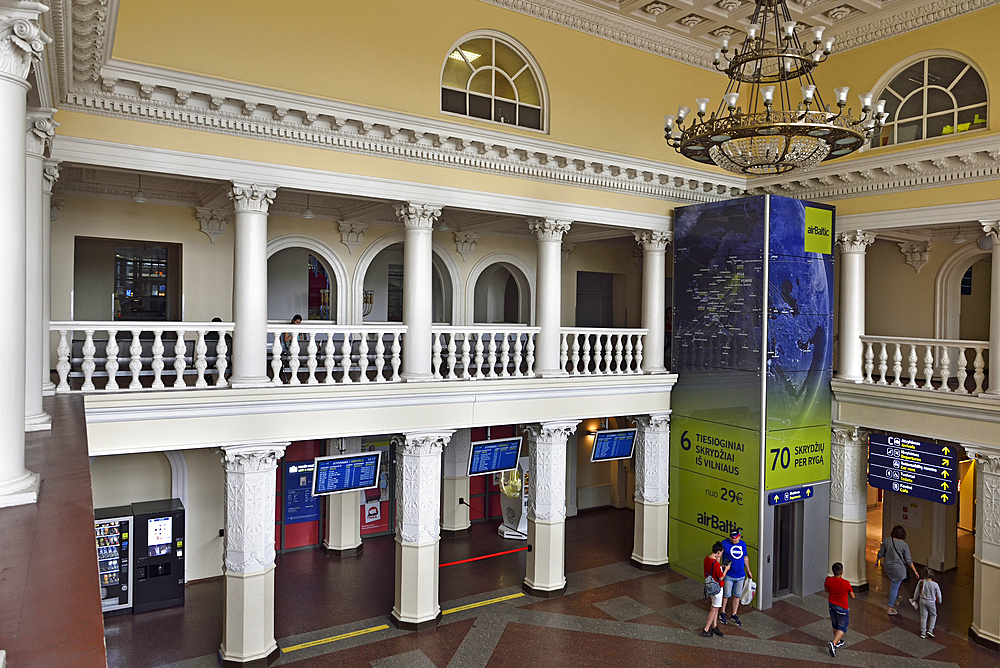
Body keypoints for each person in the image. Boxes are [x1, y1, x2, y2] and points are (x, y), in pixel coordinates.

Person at [875, 524, 920, 615]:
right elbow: (908, 560)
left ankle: (896, 598)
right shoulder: (904, 545)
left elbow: (881, 553)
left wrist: (877, 561)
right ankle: (891, 607)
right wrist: (915, 571)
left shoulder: (887, 541)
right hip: (899, 569)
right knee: (894, 586)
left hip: (888, 567)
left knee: (894, 583)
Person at [720, 527, 752, 626]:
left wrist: (748, 571)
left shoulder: (742, 544)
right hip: (729, 574)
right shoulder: (724, 543)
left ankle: (734, 614)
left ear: (739, 537)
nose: (733, 540)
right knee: (726, 595)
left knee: (737, 595)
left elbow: (745, 557)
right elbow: (720, 556)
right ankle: (723, 613)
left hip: (740, 575)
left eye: (735, 538)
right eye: (732, 538)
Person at [825, 562, 855, 657]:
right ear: (842, 572)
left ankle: (838, 641)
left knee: (835, 623)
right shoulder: (846, 583)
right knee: (843, 627)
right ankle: (833, 643)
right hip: (842, 607)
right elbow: (852, 596)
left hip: (831, 604)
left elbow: (827, 590)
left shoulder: (828, 580)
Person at [702, 541, 729, 637]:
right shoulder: (716, 565)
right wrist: (726, 569)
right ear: (718, 552)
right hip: (717, 588)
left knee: (715, 606)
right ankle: (706, 628)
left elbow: (712, 569)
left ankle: (715, 626)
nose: (721, 554)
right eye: (721, 553)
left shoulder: (707, 559)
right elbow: (721, 577)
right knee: (714, 608)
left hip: (710, 586)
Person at [912, 568, 942, 638]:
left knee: (923, 616)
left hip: (922, 600)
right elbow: (939, 596)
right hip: (931, 602)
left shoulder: (921, 582)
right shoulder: (935, 584)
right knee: (933, 615)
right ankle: (930, 630)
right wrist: (939, 601)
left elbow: (916, 592)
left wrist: (914, 598)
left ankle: (923, 632)